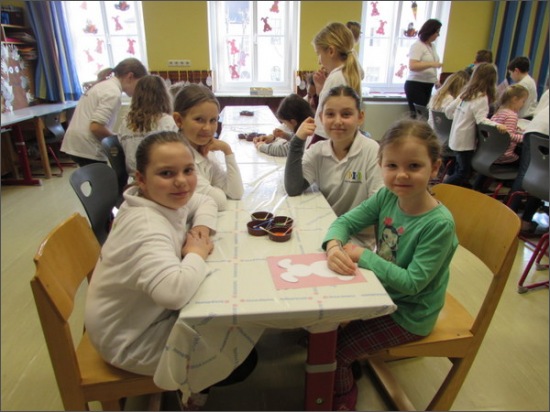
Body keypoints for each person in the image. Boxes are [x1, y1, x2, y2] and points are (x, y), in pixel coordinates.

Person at [321, 118, 458, 410]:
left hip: (410, 313)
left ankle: (342, 400)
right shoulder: (387, 195)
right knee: (324, 330)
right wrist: (333, 246)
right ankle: (347, 371)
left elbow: (412, 284)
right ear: (380, 165)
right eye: (392, 165)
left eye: (414, 166)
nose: (401, 175)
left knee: (337, 351)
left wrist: (363, 255)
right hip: (381, 293)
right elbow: (344, 222)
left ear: (435, 168)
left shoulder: (438, 225)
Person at [84, 130, 218, 404]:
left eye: (188, 170)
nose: (181, 181)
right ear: (141, 180)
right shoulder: (145, 225)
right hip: (128, 341)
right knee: (234, 343)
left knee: (216, 308)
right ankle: (192, 395)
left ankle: (194, 389)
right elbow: (173, 293)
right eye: (166, 173)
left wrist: (201, 230)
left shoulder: (160, 198)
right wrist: (196, 253)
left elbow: (206, 200)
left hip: (137, 319)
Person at [284, 85, 383, 249]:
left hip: (356, 241)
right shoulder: (317, 151)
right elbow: (293, 188)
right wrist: (297, 141)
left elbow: (377, 207)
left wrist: (338, 232)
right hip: (324, 231)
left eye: (346, 114)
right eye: (330, 114)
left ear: (360, 117)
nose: (338, 121)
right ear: (321, 118)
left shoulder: (372, 151)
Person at [61, 58, 148, 166]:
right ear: (130, 76)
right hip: (87, 146)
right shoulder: (112, 92)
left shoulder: (105, 86)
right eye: (139, 83)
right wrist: (118, 140)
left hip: (76, 141)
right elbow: (96, 127)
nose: (139, 89)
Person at [172, 83, 244, 211]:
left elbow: (235, 192)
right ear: (179, 120)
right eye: (199, 119)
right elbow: (220, 202)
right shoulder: (177, 158)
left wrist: (227, 150)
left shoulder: (205, 150)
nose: (207, 128)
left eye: (213, 120)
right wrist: (215, 189)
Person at [444, 63, 506, 187]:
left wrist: (458, 118)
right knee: (463, 173)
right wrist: (497, 125)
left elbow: (448, 110)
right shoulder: (481, 97)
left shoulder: (466, 93)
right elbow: (481, 120)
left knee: (459, 169)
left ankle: (450, 191)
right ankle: (440, 189)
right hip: (464, 141)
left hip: (456, 136)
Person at [309, 22, 363, 147]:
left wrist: (310, 150)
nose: (319, 61)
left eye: (319, 54)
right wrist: (320, 90)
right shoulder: (345, 74)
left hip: (326, 143)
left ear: (331, 51)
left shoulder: (336, 78)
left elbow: (324, 127)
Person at [117, 75, 178, 178]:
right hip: (161, 177)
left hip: (134, 178)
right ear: (164, 96)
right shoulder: (167, 121)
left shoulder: (125, 123)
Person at [471, 84, 528, 192]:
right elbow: (509, 136)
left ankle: (477, 188)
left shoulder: (499, 112)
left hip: (490, 153)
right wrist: (524, 137)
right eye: (523, 101)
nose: (523, 104)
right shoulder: (512, 115)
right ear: (515, 99)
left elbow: (501, 132)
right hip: (504, 156)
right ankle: (513, 195)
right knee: (526, 163)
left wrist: (515, 129)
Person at [507, 97, 549, 235]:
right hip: (545, 133)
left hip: (533, 130)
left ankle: (508, 216)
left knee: (528, 174)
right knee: (542, 178)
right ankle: (525, 220)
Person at [404, 19, 444, 118]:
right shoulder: (417, 45)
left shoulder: (432, 46)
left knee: (425, 115)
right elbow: (413, 66)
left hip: (428, 84)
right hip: (416, 84)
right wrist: (431, 64)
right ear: (430, 31)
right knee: (419, 116)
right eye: (437, 32)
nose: (438, 35)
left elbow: (431, 69)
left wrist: (436, 81)